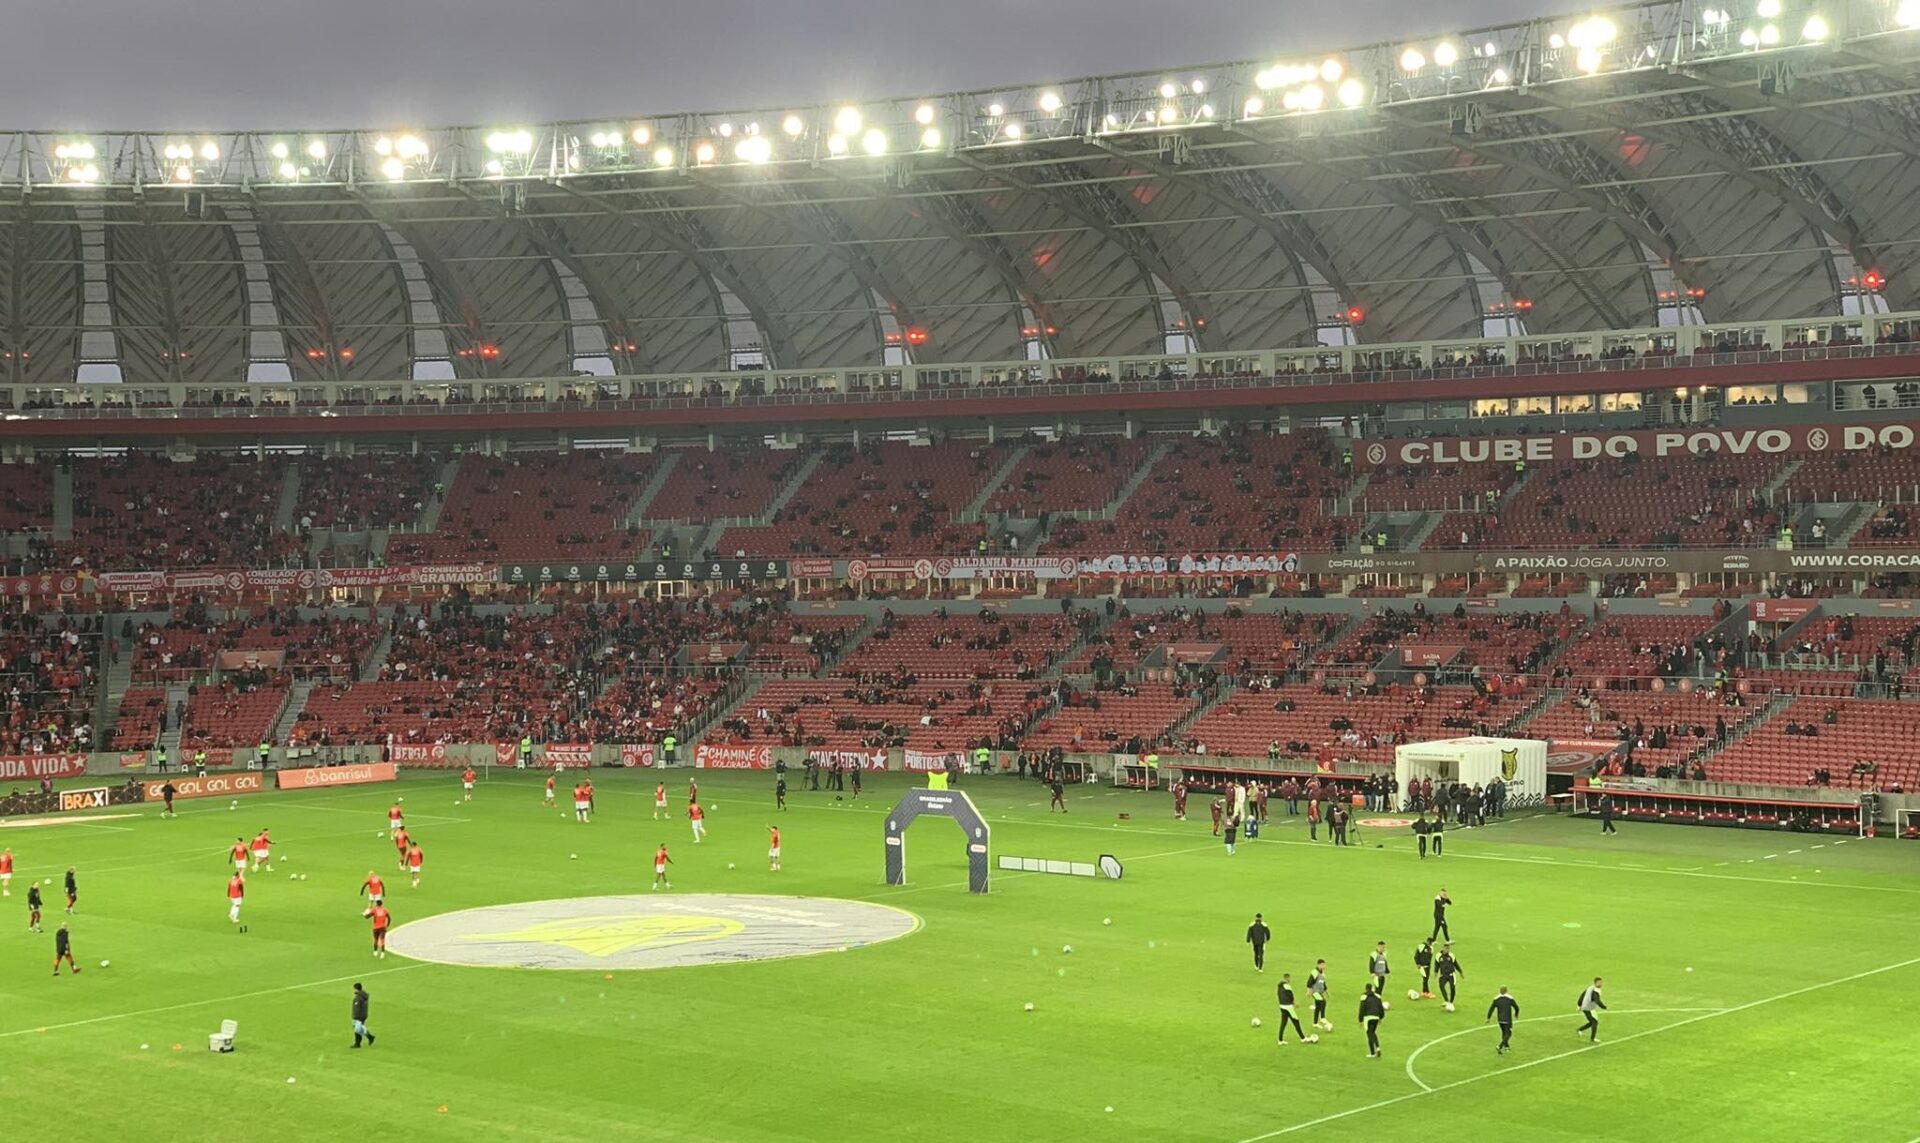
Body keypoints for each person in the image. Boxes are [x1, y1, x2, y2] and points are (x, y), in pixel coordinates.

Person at [1275, 973, 1308, 1044]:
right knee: (1296, 1021)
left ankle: (1280, 1040)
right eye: (1289, 978)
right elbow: (1290, 996)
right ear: (1287, 978)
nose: (1290, 980)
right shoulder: (1287, 986)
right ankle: (1303, 1038)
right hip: (1288, 1007)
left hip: (1282, 1006)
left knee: (1283, 1023)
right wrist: (1295, 1003)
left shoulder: (1279, 986)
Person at [1487, 986, 1520, 1054]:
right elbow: (1516, 1007)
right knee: (1508, 1033)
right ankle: (1500, 1046)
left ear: (1500, 991)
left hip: (1500, 1019)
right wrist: (1516, 1014)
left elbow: (1491, 1008)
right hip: (1507, 1019)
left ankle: (1506, 1046)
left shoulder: (1496, 999)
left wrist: (1488, 1018)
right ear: (1506, 991)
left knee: (1504, 1033)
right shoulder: (1509, 998)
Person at [1358, 983, 1386, 1058]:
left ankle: (1372, 1053)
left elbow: (1362, 1008)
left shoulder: (1364, 997)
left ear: (1366, 988)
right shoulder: (1377, 996)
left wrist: (1360, 1020)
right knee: (1373, 1033)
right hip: (1376, 1017)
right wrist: (1381, 1017)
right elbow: (1381, 1008)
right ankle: (1378, 1048)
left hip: (1368, 1018)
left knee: (1369, 1034)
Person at [1577, 977, 1607, 1042]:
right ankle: (1592, 1038)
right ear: (1595, 983)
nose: (1601, 984)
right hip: (1589, 1008)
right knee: (1594, 1022)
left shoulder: (1590, 988)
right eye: (1599, 982)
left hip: (1586, 1007)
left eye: (1601, 982)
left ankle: (1580, 1029)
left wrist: (1579, 1005)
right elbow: (1597, 1001)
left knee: (1592, 1022)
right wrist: (1604, 1007)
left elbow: (1582, 995)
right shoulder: (1595, 992)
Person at [1307, 959, 1332, 1031]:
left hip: (1320, 992)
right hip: (1315, 992)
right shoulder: (1314, 972)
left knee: (1318, 1007)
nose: (1323, 966)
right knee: (1323, 1002)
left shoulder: (1323, 973)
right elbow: (1309, 982)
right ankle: (1322, 1018)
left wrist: (1327, 992)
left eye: (1324, 965)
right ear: (1318, 965)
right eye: (1322, 965)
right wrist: (1309, 991)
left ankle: (1315, 1023)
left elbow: (1323, 984)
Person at [1435, 943, 1463, 1008]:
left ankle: (1451, 1002)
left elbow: (1456, 964)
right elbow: (1437, 964)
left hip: (1451, 975)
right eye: (1446, 948)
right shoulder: (1438, 956)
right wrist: (1436, 972)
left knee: (1452, 988)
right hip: (1443, 975)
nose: (1447, 950)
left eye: (1448, 949)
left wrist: (1460, 972)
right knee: (1441, 986)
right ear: (1443, 948)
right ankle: (1446, 1001)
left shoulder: (1451, 955)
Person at [351, 982, 377, 1048]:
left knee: (357, 1029)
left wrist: (355, 1017)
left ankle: (367, 1038)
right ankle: (362, 1041)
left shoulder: (358, 997)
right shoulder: (363, 995)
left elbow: (357, 1008)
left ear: (356, 989)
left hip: (359, 1016)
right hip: (363, 1015)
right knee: (359, 1028)